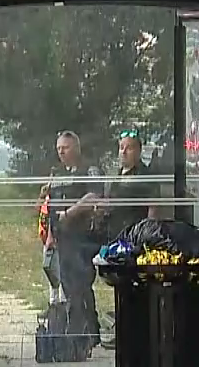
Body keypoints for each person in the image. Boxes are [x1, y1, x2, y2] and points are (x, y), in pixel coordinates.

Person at [40, 130, 105, 352]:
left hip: (83, 237)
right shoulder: (57, 173)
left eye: (65, 148)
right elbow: (51, 205)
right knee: (69, 286)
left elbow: (94, 196)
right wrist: (50, 235)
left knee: (81, 284)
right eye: (58, 148)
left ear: (76, 148)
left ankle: (88, 333)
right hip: (63, 237)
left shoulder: (90, 169)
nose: (61, 152)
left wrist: (70, 213)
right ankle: (80, 333)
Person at [102, 128, 160, 240]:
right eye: (121, 148)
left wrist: (145, 239)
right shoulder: (114, 174)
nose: (123, 152)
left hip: (134, 236)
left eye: (129, 148)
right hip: (112, 235)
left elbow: (153, 212)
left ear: (139, 151)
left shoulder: (147, 176)